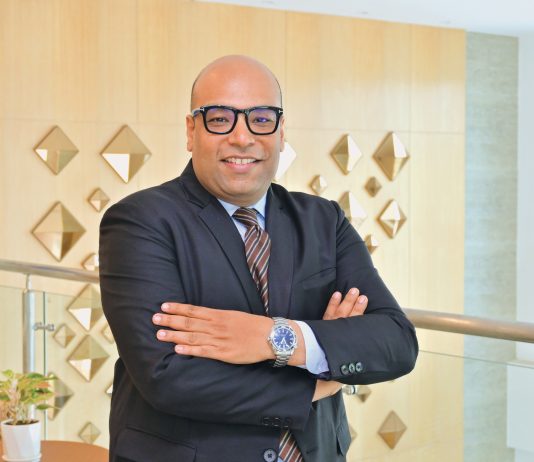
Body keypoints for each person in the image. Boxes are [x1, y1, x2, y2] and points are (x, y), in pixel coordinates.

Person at [99, 55, 418, 462]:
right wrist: (322, 373)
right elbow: (168, 377)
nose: (242, 137)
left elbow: (395, 342)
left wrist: (276, 338)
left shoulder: (324, 220)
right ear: (191, 131)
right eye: (220, 119)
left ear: (281, 133)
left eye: (261, 119)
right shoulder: (140, 221)